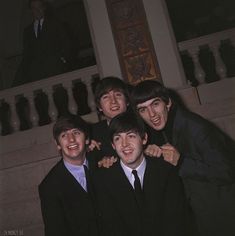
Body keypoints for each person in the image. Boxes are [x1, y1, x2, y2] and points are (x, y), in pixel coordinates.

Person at [131, 79, 235, 236]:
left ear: (168, 103)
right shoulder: (161, 130)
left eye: (155, 104)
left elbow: (227, 172)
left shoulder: (196, 127)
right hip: (198, 216)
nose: (151, 114)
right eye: (143, 110)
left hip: (223, 215)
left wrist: (181, 162)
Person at [93, 111, 188, 236]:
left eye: (131, 136)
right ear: (113, 145)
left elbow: (176, 221)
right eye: (118, 138)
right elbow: (110, 227)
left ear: (144, 139)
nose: (125, 144)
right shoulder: (103, 180)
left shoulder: (165, 171)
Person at [38, 115, 100, 236]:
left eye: (76, 133)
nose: (71, 139)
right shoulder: (49, 186)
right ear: (57, 144)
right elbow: (55, 231)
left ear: (87, 139)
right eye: (64, 135)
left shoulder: (102, 164)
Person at [14, 0, 71, 86]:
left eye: (39, 7)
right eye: (34, 8)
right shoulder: (27, 31)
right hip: (37, 77)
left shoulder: (55, 24)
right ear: (30, 11)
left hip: (55, 72)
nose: (37, 11)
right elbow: (27, 55)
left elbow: (67, 44)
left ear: (44, 8)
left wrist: (62, 61)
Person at [92, 76, 130, 161]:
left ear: (127, 101)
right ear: (99, 107)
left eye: (118, 95)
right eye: (106, 97)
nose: (113, 101)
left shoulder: (143, 125)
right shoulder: (92, 134)